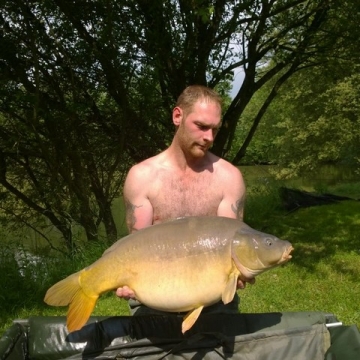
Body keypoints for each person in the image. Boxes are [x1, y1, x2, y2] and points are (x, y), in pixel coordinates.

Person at [116, 85, 253, 314]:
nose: (209, 137)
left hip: (214, 298)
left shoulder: (229, 178)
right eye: (201, 126)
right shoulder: (142, 177)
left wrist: (239, 273)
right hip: (154, 296)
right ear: (178, 116)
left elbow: (233, 247)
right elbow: (138, 247)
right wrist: (127, 280)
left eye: (214, 130)